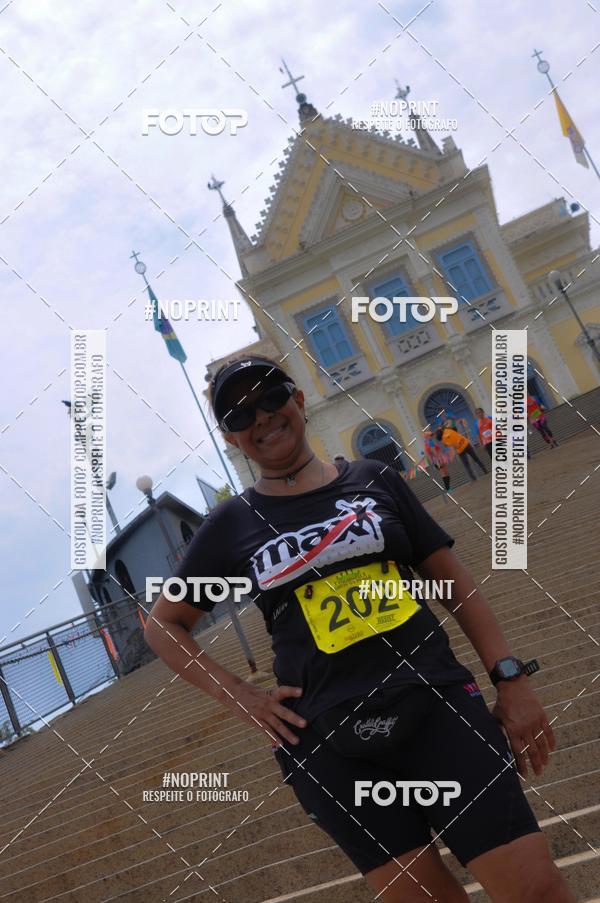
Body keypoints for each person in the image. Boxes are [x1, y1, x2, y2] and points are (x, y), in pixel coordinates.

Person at [144, 354, 573, 903]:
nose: (262, 416)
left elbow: (454, 584)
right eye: (238, 412)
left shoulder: (375, 480)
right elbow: (164, 626)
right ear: (230, 438)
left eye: (272, 396)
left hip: (436, 703)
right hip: (327, 743)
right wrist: (243, 697)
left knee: (537, 890)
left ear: (299, 400)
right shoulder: (232, 524)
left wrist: (510, 679)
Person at [423, 429, 452, 494]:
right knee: (444, 473)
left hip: (436, 460)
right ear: (427, 436)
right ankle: (448, 488)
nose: (432, 436)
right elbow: (434, 452)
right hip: (438, 460)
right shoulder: (430, 442)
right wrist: (439, 459)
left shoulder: (427, 443)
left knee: (445, 473)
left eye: (432, 435)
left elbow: (429, 454)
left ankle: (448, 488)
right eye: (430, 435)